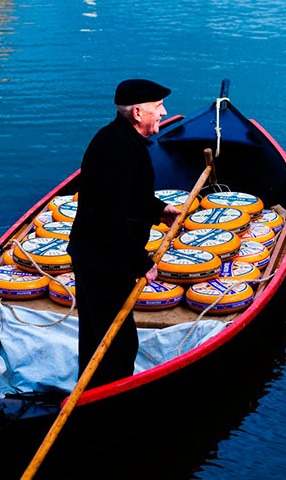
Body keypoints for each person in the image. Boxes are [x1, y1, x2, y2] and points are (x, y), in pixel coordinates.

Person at [67, 78, 181, 388]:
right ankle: (104, 399)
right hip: (101, 259)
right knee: (115, 342)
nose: (163, 112)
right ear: (138, 112)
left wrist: (157, 210)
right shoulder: (117, 149)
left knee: (97, 335)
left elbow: (128, 196)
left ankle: (92, 390)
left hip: (97, 252)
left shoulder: (121, 141)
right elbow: (109, 217)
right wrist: (141, 263)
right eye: (158, 108)